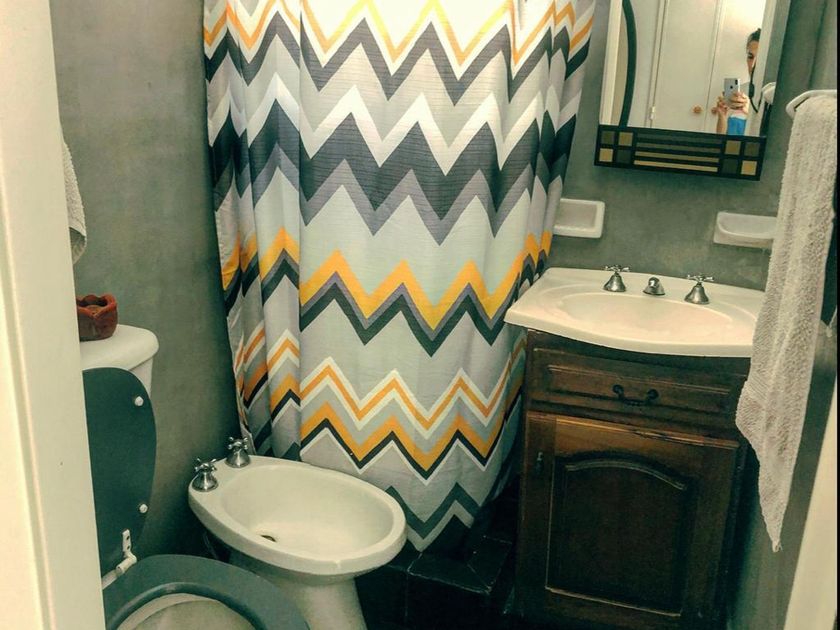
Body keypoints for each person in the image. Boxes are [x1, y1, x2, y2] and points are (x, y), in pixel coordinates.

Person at [715, 28, 761, 135]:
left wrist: (749, 112)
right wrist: (722, 115)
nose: (752, 65)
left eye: (760, 58)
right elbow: (721, 136)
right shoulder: (739, 92)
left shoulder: (773, 96)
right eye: (750, 57)